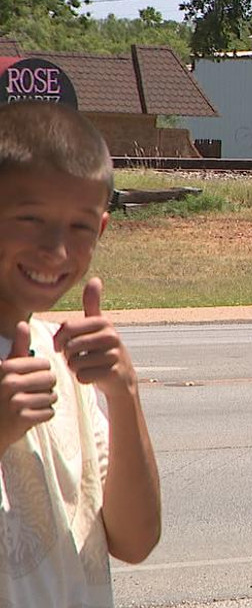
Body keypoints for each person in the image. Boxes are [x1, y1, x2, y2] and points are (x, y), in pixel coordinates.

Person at [0, 101, 162, 606]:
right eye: (31, 219)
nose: (57, 251)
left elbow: (134, 541)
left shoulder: (64, 360)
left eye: (80, 228)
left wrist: (124, 392)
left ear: (103, 230)